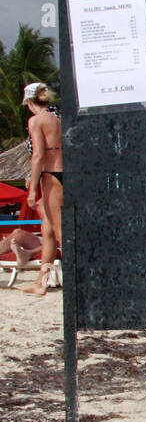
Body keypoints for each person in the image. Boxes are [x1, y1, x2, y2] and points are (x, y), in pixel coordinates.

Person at [19, 82, 61, 296]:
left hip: (51, 175)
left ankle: (82, 282)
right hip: (64, 173)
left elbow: (38, 155)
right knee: (48, 229)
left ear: (29, 101)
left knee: (61, 232)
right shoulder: (58, 118)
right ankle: (41, 280)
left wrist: (33, 188)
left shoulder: (36, 121)